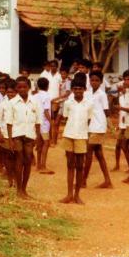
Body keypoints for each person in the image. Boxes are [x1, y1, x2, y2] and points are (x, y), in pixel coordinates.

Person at [56, 74, 92, 204]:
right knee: (70, 165)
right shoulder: (68, 103)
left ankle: (77, 195)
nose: (77, 91)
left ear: (84, 89)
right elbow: (66, 117)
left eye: (80, 89)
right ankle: (69, 194)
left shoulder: (89, 104)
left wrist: (85, 134)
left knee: (80, 166)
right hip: (69, 135)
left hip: (81, 136)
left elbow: (88, 120)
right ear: (72, 89)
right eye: (75, 88)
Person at [11, 77, 41, 199]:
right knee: (19, 160)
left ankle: (24, 189)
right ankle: (18, 189)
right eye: (19, 87)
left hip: (30, 135)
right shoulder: (13, 103)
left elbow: (38, 121)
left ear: (29, 87)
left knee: (28, 160)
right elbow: (9, 122)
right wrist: (10, 139)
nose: (22, 89)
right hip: (17, 134)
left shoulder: (35, 102)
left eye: (24, 87)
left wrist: (38, 137)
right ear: (16, 88)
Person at [83, 71, 112, 188]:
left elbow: (106, 111)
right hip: (90, 125)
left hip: (98, 125)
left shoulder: (102, 94)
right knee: (99, 154)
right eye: (92, 80)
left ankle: (83, 180)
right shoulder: (87, 93)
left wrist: (110, 126)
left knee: (88, 152)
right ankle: (107, 180)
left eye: (97, 80)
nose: (94, 82)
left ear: (101, 82)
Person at [0, 79, 18, 187]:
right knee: (7, 158)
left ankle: (16, 179)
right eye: (8, 92)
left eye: (12, 92)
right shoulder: (3, 104)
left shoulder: (19, 103)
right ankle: (10, 179)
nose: (10, 94)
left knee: (17, 158)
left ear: (16, 92)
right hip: (5, 134)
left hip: (17, 134)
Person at [33, 77, 54, 175]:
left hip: (36, 122)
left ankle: (38, 165)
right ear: (47, 86)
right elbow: (46, 111)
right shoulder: (47, 96)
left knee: (39, 144)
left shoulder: (35, 96)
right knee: (46, 143)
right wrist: (51, 122)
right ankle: (43, 166)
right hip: (44, 123)